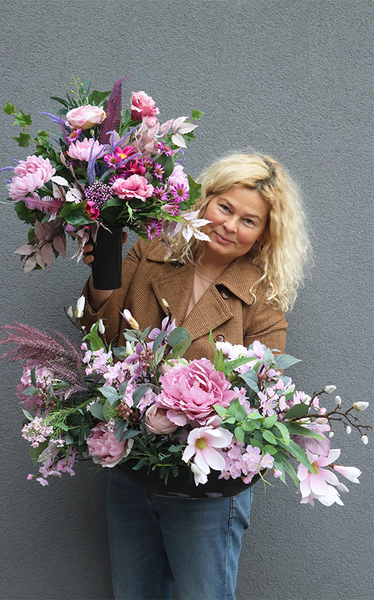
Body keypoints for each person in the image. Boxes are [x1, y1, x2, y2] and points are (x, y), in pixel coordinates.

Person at [80, 152, 309, 600]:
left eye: (249, 221)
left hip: (207, 493)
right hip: (132, 474)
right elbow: (101, 336)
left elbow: (264, 390)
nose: (230, 226)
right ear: (204, 200)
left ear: (265, 233)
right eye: (225, 207)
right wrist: (101, 273)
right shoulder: (151, 253)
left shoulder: (261, 299)